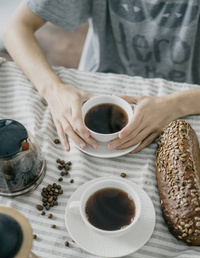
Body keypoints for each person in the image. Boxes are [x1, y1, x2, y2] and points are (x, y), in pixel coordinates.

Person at [2, 0, 200, 153]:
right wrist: (52, 90)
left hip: (187, 95)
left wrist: (176, 105)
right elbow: (15, 28)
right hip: (95, 86)